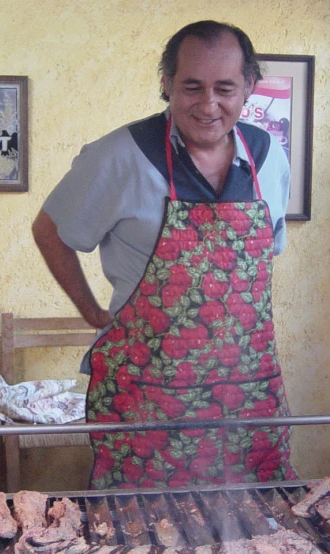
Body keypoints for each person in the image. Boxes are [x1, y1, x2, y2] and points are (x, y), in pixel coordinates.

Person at [33, 20, 297, 489]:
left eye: (225, 88)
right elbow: (50, 230)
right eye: (191, 86)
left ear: (249, 87)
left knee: (255, 520)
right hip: (147, 397)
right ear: (166, 84)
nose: (208, 104)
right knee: (143, 525)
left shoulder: (268, 155)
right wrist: (91, 311)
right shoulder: (120, 156)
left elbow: (263, 259)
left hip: (247, 398)